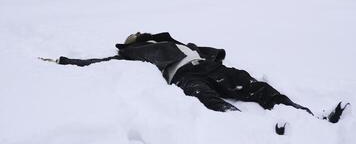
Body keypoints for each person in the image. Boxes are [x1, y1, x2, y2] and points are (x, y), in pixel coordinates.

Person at [41, 32, 349, 126]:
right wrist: (66, 61)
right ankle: (248, 134)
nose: (135, 35)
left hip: (208, 66)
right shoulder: (134, 53)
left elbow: (211, 50)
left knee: (258, 88)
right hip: (184, 77)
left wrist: (217, 53)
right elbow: (103, 62)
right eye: (131, 36)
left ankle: (312, 121)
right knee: (207, 99)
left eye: (137, 33)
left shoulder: (175, 40)